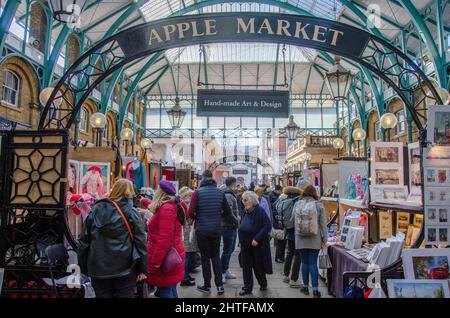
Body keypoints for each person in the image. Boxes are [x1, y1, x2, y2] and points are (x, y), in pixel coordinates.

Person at [78, 178, 148, 298]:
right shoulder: (132, 212)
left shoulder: (95, 210)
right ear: (128, 193)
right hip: (125, 268)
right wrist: (142, 268)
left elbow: (84, 241)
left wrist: (84, 267)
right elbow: (140, 243)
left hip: (98, 268)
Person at [188, 170, 239, 295]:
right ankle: (220, 286)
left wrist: (197, 217)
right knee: (215, 256)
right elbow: (227, 212)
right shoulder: (220, 192)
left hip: (202, 230)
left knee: (205, 258)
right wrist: (237, 222)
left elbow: (190, 212)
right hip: (216, 229)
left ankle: (207, 285)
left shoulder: (197, 193)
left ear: (203, 180)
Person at [146, 180, 187, 298]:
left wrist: (156, 261)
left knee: (166, 289)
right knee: (171, 288)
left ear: (160, 192)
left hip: (165, 257)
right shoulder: (171, 205)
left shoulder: (167, 208)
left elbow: (165, 239)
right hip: (172, 254)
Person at [294, 185, 328, 298]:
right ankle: (315, 290)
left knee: (304, 263)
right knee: (313, 263)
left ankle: (304, 287)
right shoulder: (319, 206)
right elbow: (323, 225)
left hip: (300, 238)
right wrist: (324, 240)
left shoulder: (298, 204)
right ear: (314, 193)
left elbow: (292, 220)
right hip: (315, 239)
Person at [238, 191, 273, 296]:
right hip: (245, 243)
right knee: (246, 266)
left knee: (258, 266)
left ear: (252, 200)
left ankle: (263, 283)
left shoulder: (260, 211)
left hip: (257, 244)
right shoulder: (245, 211)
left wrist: (257, 238)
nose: (244, 202)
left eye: (246, 200)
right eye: (243, 200)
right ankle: (247, 287)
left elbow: (267, 226)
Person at [275, 185, 303, 287]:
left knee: (290, 252)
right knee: (298, 255)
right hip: (296, 231)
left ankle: (286, 276)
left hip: (288, 230)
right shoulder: (297, 200)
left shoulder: (284, 199)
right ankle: (294, 280)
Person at [222, 177, 241, 281]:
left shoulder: (229, 193)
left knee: (230, 249)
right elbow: (228, 212)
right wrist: (236, 220)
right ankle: (222, 272)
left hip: (231, 225)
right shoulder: (229, 195)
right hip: (228, 225)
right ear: (233, 184)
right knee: (227, 250)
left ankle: (226, 269)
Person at [179, 186, 198, 287]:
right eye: (190, 195)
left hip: (187, 231)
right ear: (185, 195)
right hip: (187, 232)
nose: (191, 197)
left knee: (188, 254)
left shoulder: (182, 203)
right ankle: (184, 277)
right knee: (188, 255)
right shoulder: (185, 203)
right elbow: (189, 217)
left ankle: (186, 275)